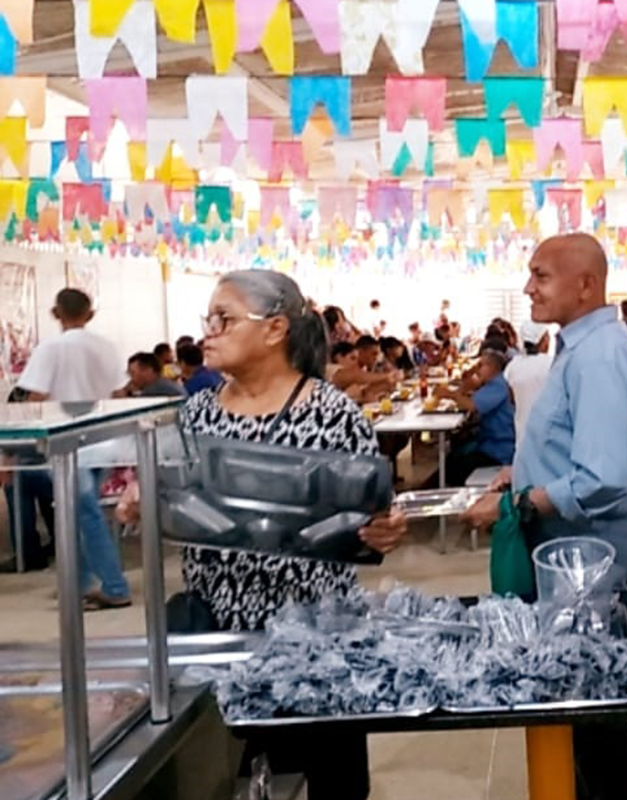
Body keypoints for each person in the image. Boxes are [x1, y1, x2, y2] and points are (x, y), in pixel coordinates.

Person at [118, 270, 406, 800]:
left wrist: (382, 532)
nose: (208, 332)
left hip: (315, 638)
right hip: (218, 633)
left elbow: (368, 525)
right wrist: (141, 503)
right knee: (230, 777)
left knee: (325, 778)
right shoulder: (197, 412)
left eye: (223, 319)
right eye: (208, 320)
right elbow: (168, 497)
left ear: (275, 330)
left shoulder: (333, 415)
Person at [461, 233, 627, 800]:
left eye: (541, 276)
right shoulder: (577, 348)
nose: (528, 288)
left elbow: (603, 476)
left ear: (585, 285)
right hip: (567, 559)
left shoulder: (600, 356)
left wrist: (521, 503)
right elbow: (572, 447)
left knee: (589, 704)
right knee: (576, 711)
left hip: (585, 563)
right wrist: (520, 475)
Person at [4, 289, 132, 605]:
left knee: (85, 515)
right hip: (104, 440)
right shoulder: (107, 347)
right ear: (90, 315)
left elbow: (33, 400)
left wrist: (11, 450)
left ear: (55, 313)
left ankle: (115, 587)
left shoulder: (50, 348)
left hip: (70, 444)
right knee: (75, 514)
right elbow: (120, 396)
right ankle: (78, 583)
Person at [431, 350, 516, 487]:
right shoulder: (492, 384)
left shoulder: (498, 386)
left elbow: (472, 405)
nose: (478, 369)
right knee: (453, 455)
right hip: (489, 442)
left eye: (481, 365)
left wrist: (449, 394)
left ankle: (448, 491)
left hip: (499, 449)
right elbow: (470, 394)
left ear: (492, 367)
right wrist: (467, 382)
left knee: (453, 465)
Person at [504, 321, 553, 450]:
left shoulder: (513, 366)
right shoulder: (553, 364)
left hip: (523, 436)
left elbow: (511, 399)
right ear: (543, 341)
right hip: (549, 435)